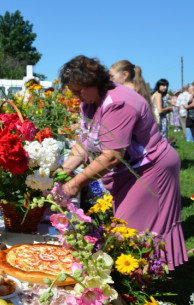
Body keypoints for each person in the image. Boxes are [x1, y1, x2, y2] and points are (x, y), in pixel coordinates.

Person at [58, 55, 187, 271]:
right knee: (127, 230)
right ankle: (139, 280)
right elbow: (85, 142)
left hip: (152, 168)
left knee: (131, 230)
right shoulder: (90, 103)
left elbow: (111, 155)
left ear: (95, 82)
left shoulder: (118, 102)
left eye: (79, 90)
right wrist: (64, 170)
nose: (76, 95)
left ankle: (141, 284)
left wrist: (74, 184)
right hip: (134, 169)